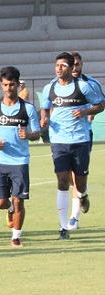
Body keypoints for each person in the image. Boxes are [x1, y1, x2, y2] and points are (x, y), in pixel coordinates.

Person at [39, 52, 103, 240]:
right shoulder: (49, 87)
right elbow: (45, 106)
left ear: (72, 67)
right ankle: (63, 227)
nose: (60, 68)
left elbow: (100, 105)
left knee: (79, 182)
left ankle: (82, 196)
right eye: (57, 65)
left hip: (80, 140)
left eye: (64, 66)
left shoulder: (83, 87)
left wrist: (85, 111)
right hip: (59, 140)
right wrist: (44, 118)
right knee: (62, 181)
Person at [0, 66, 40, 247]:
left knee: (19, 199)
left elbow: (37, 132)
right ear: (1, 85)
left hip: (20, 161)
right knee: (0, 202)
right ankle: (10, 209)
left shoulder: (27, 108)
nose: (8, 88)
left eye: (11, 84)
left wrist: (28, 135)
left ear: (17, 85)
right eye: (5, 84)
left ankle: (16, 236)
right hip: (1, 161)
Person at [65, 52, 105, 230]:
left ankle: (74, 217)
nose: (74, 68)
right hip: (61, 138)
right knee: (65, 177)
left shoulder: (90, 84)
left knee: (75, 173)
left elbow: (101, 103)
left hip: (82, 136)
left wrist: (88, 113)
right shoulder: (57, 85)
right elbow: (50, 106)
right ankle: (83, 193)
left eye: (77, 64)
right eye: (71, 65)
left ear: (82, 65)